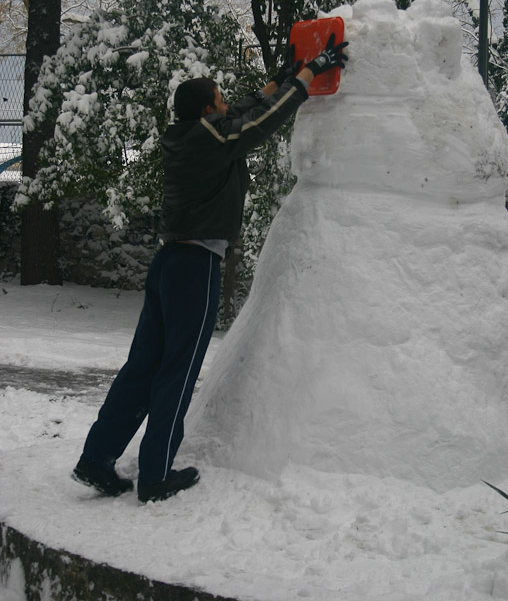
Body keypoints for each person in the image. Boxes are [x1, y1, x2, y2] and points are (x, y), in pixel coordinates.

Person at [73, 33, 348, 503]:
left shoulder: (186, 135)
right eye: (218, 99)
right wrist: (308, 73)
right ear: (207, 111)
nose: (225, 103)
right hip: (195, 266)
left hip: (168, 264)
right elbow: (262, 121)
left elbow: (241, 111)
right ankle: (156, 475)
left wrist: (277, 78)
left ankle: (96, 458)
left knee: (142, 367)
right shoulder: (214, 138)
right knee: (177, 370)